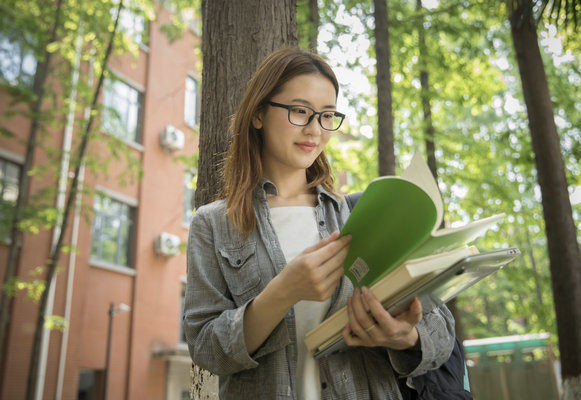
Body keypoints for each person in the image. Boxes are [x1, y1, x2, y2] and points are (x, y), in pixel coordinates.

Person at [184, 47, 455, 399]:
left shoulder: (359, 215)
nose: (315, 129)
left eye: (327, 116)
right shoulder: (213, 224)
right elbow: (205, 349)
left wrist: (404, 337)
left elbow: (442, 333)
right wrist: (284, 292)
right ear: (259, 114)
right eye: (300, 111)